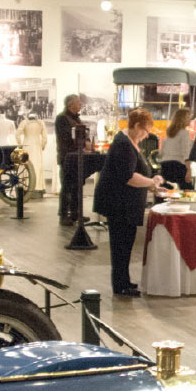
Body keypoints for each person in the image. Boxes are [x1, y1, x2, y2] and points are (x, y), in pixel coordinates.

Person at [93, 108, 166, 297]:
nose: (146, 135)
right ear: (136, 126)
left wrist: (152, 185)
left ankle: (124, 281)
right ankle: (120, 285)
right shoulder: (123, 144)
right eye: (145, 130)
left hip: (126, 204)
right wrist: (151, 182)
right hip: (119, 204)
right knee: (120, 245)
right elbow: (128, 177)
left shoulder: (129, 142)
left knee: (125, 245)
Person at [55, 94, 87, 226]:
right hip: (67, 157)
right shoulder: (62, 118)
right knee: (67, 187)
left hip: (76, 157)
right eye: (78, 103)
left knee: (77, 187)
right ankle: (64, 215)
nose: (80, 105)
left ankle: (75, 213)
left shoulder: (76, 119)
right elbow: (66, 137)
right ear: (70, 105)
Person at [159, 107, 194, 190]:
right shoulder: (184, 133)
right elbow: (186, 153)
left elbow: (162, 151)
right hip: (178, 165)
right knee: (188, 192)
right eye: (188, 117)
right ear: (182, 119)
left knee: (169, 192)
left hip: (165, 165)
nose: (190, 119)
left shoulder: (169, 133)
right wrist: (189, 170)